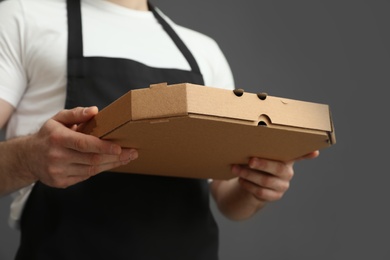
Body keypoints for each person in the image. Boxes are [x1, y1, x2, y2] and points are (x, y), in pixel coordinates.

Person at [0, 0, 319, 259]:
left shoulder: (203, 50)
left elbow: (228, 198)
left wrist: (257, 186)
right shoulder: (22, 16)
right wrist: (28, 158)